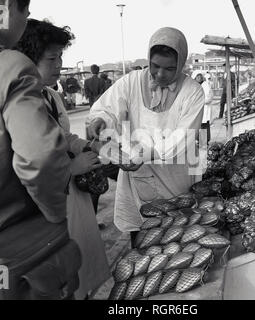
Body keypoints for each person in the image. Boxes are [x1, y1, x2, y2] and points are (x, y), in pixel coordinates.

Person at [16, 18, 111, 300]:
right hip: (45, 203)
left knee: (81, 263)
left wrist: (88, 145)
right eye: (52, 58)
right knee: (58, 275)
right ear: (27, 61)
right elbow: (23, 167)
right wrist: (71, 168)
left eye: (60, 56)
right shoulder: (16, 105)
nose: (59, 64)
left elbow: (63, 136)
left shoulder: (52, 96)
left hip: (73, 197)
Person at [87, 27, 205, 241]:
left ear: (181, 64)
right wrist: (101, 120)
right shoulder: (131, 82)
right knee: (141, 237)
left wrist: (145, 152)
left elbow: (182, 138)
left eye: (170, 68)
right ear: (148, 58)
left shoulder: (192, 91)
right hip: (136, 176)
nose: (160, 74)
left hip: (175, 176)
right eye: (155, 66)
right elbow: (106, 108)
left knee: (177, 235)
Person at [0, 0, 71, 231]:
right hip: (15, 229)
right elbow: (40, 156)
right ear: (6, 8)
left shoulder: (50, 95)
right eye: (25, 12)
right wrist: (56, 214)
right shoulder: (11, 66)